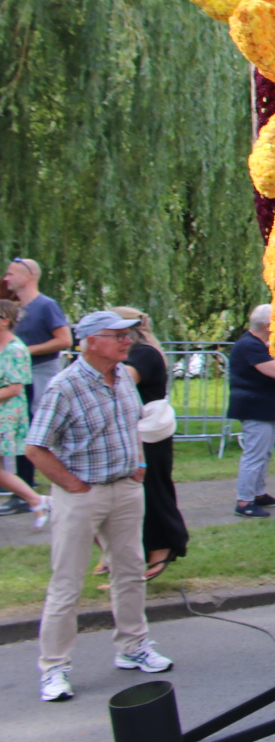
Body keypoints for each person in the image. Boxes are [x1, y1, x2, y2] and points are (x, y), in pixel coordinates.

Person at [24, 310, 173, 703]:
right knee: (67, 582)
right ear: (92, 341)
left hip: (125, 488)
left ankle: (133, 646)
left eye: (128, 335)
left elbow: (131, 424)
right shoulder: (65, 386)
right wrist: (73, 485)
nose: (128, 341)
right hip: (81, 494)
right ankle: (54, 667)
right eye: (118, 336)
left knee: (129, 571)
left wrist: (139, 464)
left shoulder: (123, 376)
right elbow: (35, 448)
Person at [111, 308, 188, 579]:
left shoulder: (144, 354)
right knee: (134, 493)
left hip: (148, 434)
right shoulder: (139, 353)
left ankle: (161, 546)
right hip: (136, 431)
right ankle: (132, 550)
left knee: (152, 490)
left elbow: (121, 383)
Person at [3, 258, 70, 499]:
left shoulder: (46, 305)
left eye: (11, 274)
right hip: (19, 373)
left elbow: (64, 340)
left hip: (40, 372)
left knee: (32, 426)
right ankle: (18, 482)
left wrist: (23, 351)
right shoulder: (15, 305)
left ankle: (26, 485)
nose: (6, 278)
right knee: (20, 426)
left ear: (28, 275)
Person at [226, 305, 275, 518]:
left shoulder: (257, 344)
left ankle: (259, 493)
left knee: (264, 452)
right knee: (255, 454)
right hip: (255, 407)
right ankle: (244, 501)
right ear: (268, 325)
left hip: (264, 406)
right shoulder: (249, 345)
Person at [0, 300, 49, 525]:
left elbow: (15, 387)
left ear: (4, 321)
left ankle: (37, 500)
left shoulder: (15, 350)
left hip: (6, 414)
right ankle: (37, 501)